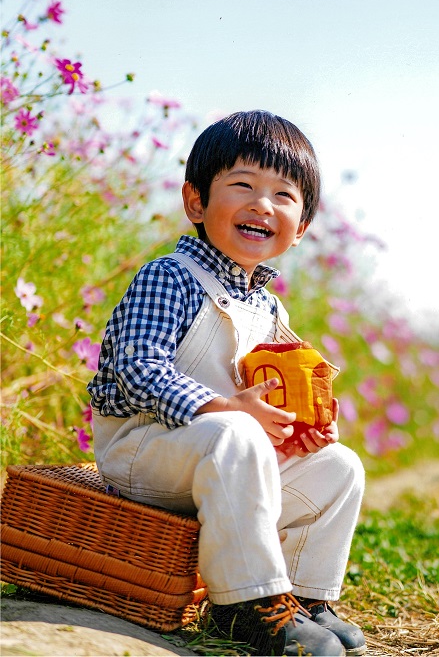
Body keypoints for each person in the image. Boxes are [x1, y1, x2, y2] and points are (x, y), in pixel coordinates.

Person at [88, 110, 366, 657]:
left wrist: (290, 430)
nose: (263, 204)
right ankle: (248, 605)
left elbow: (264, 392)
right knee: (236, 432)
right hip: (146, 449)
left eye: (283, 195)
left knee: (340, 466)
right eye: (243, 185)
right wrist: (228, 408)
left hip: (224, 460)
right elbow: (138, 369)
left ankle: (304, 597)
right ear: (196, 202)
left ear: (302, 227)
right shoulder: (169, 277)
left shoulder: (267, 304)